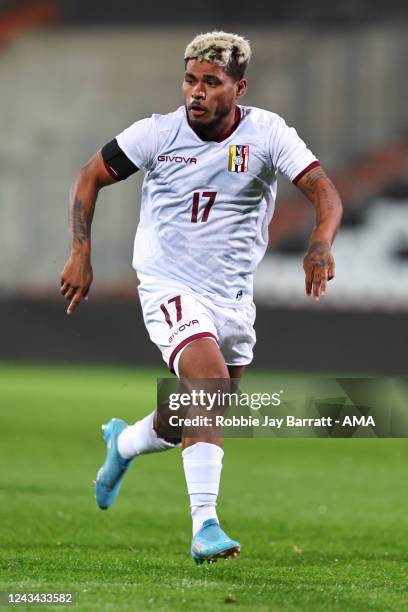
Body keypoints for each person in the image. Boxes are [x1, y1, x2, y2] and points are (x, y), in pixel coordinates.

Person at [60, 31, 342, 564]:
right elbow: (88, 176)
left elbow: (324, 190)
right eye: (190, 80)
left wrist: (320, 242)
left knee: (201, 406)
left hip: (232, 296)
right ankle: (204, 526)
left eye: (211, 83)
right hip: (169, 283)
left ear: (239, 88)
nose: (196, 92)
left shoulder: (267, 133)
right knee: (208, 388)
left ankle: (122, 445)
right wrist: (80, 251)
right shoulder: (157, 134)